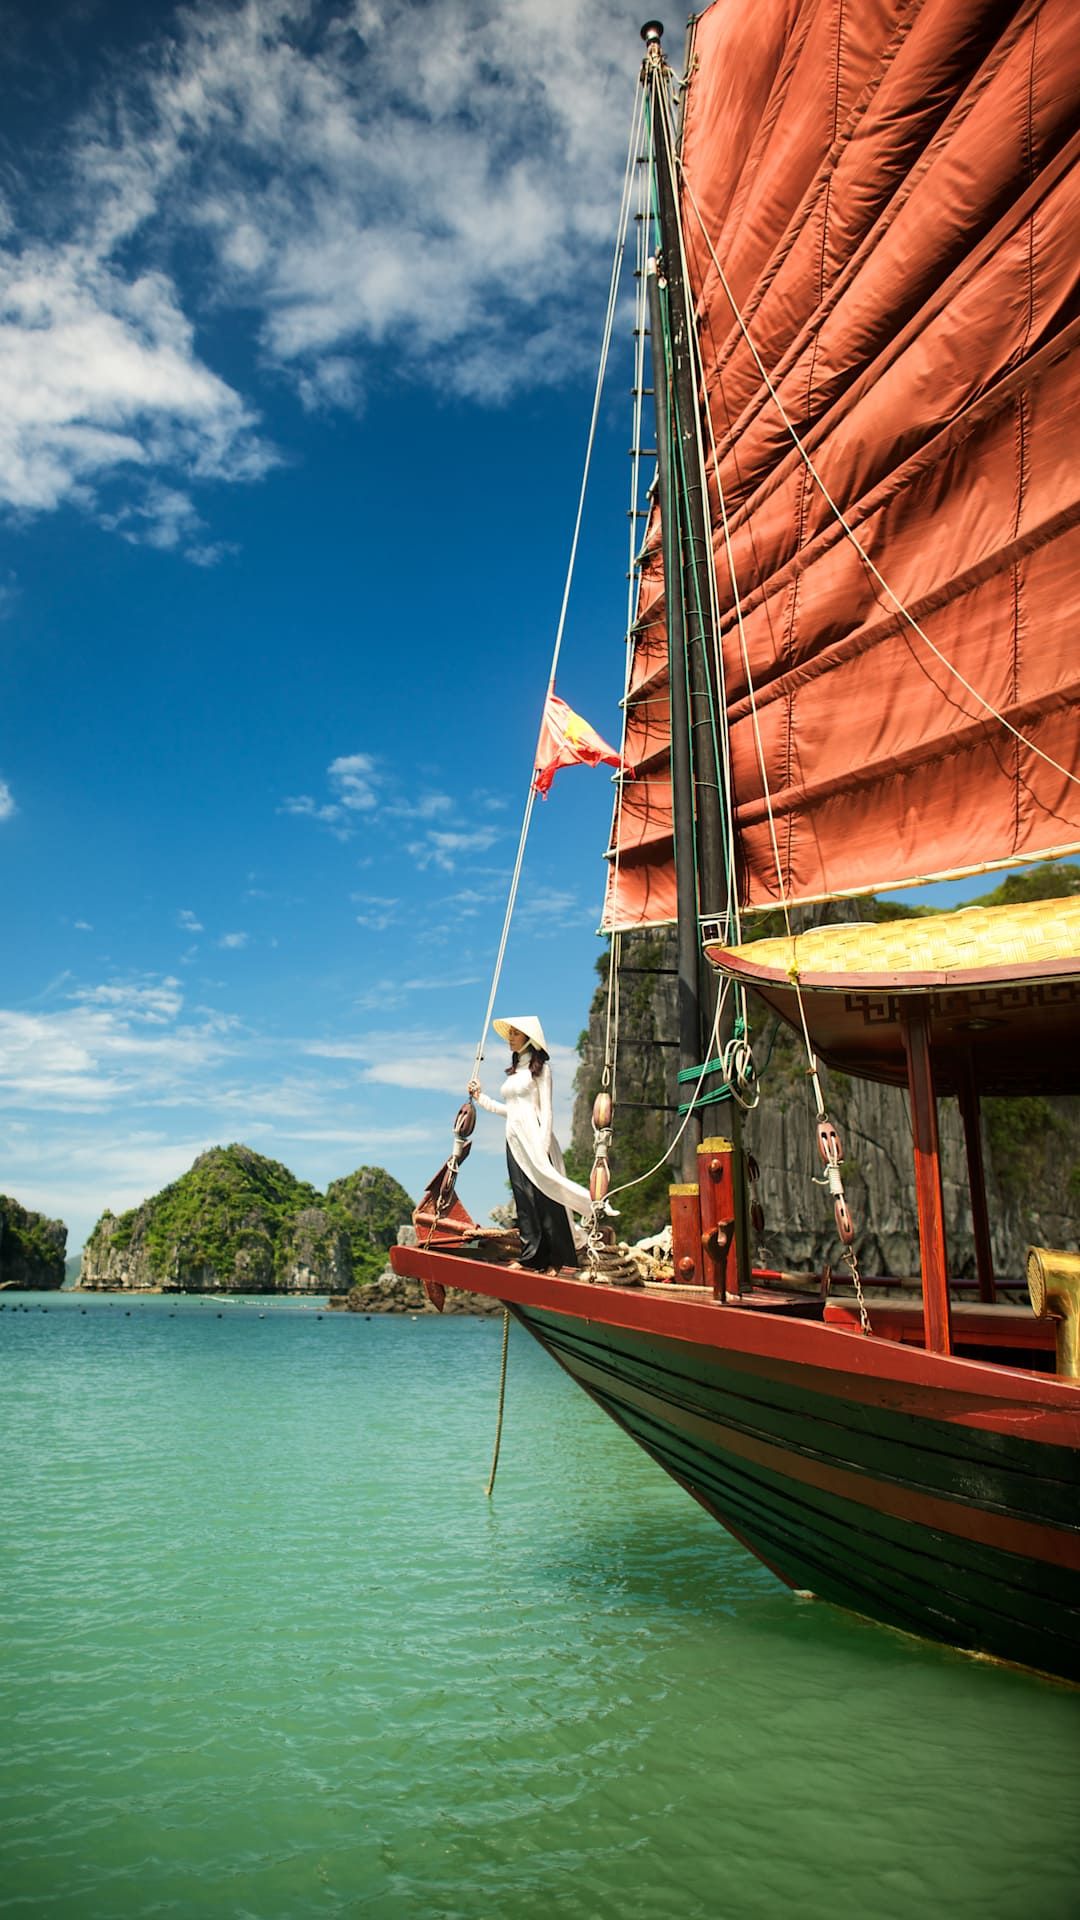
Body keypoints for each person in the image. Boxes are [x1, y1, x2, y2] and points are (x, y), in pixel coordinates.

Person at [468, 1015, 592, 1273]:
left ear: (528, 1038)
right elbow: (511, 1111)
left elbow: (546, 1110)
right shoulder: (515, 1073)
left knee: (546, 1196)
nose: (510, 1039)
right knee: (523, 1198)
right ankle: (532, 1258)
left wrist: (543, 1144)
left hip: (535, 1136)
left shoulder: (541, 1070)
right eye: (510, 1034)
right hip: (513, 1138)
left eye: (514, 1034)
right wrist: (481, 1098)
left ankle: (557, 1260)